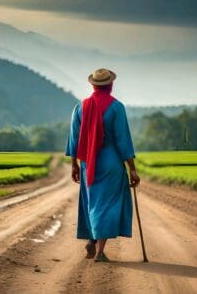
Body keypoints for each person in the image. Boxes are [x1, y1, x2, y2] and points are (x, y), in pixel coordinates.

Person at [65, 68, 140, 262]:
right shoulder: (116, 107)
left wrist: (74, 165)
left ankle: (92, 239)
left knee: (93, 203)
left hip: (87, 164)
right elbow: (123, 140)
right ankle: (99, 251)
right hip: (111, 163)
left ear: (93, 85)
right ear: (111, 85)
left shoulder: (80, 107)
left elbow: (74, 139)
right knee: (107, 205)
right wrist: (132, 168)